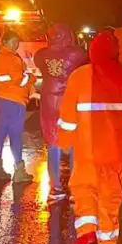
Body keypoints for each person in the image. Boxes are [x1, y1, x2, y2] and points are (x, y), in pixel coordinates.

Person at [58, 30, 122, 244]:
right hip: (117, 150)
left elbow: (67, 116)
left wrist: (63, 141)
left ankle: (87, 231)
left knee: (84, 189)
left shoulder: (79, 77)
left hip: (87, 149)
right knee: (111, 196)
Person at [34, 23, 88, 203]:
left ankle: (55, 189)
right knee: (73, 143)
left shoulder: (41, 55)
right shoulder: (76, 54)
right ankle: (75, 189)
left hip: (49, 100)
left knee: (53, 143)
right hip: (68, 100)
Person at [0, 30, 36, 183]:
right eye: (14, 42)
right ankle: (19, 171)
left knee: (0, 133)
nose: (16, 45)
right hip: (15, 100)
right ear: (5, 42)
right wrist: (31, 78)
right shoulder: (13, 59)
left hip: (0, 98)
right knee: (16, 134)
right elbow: (19, 80)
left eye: (17, 42)